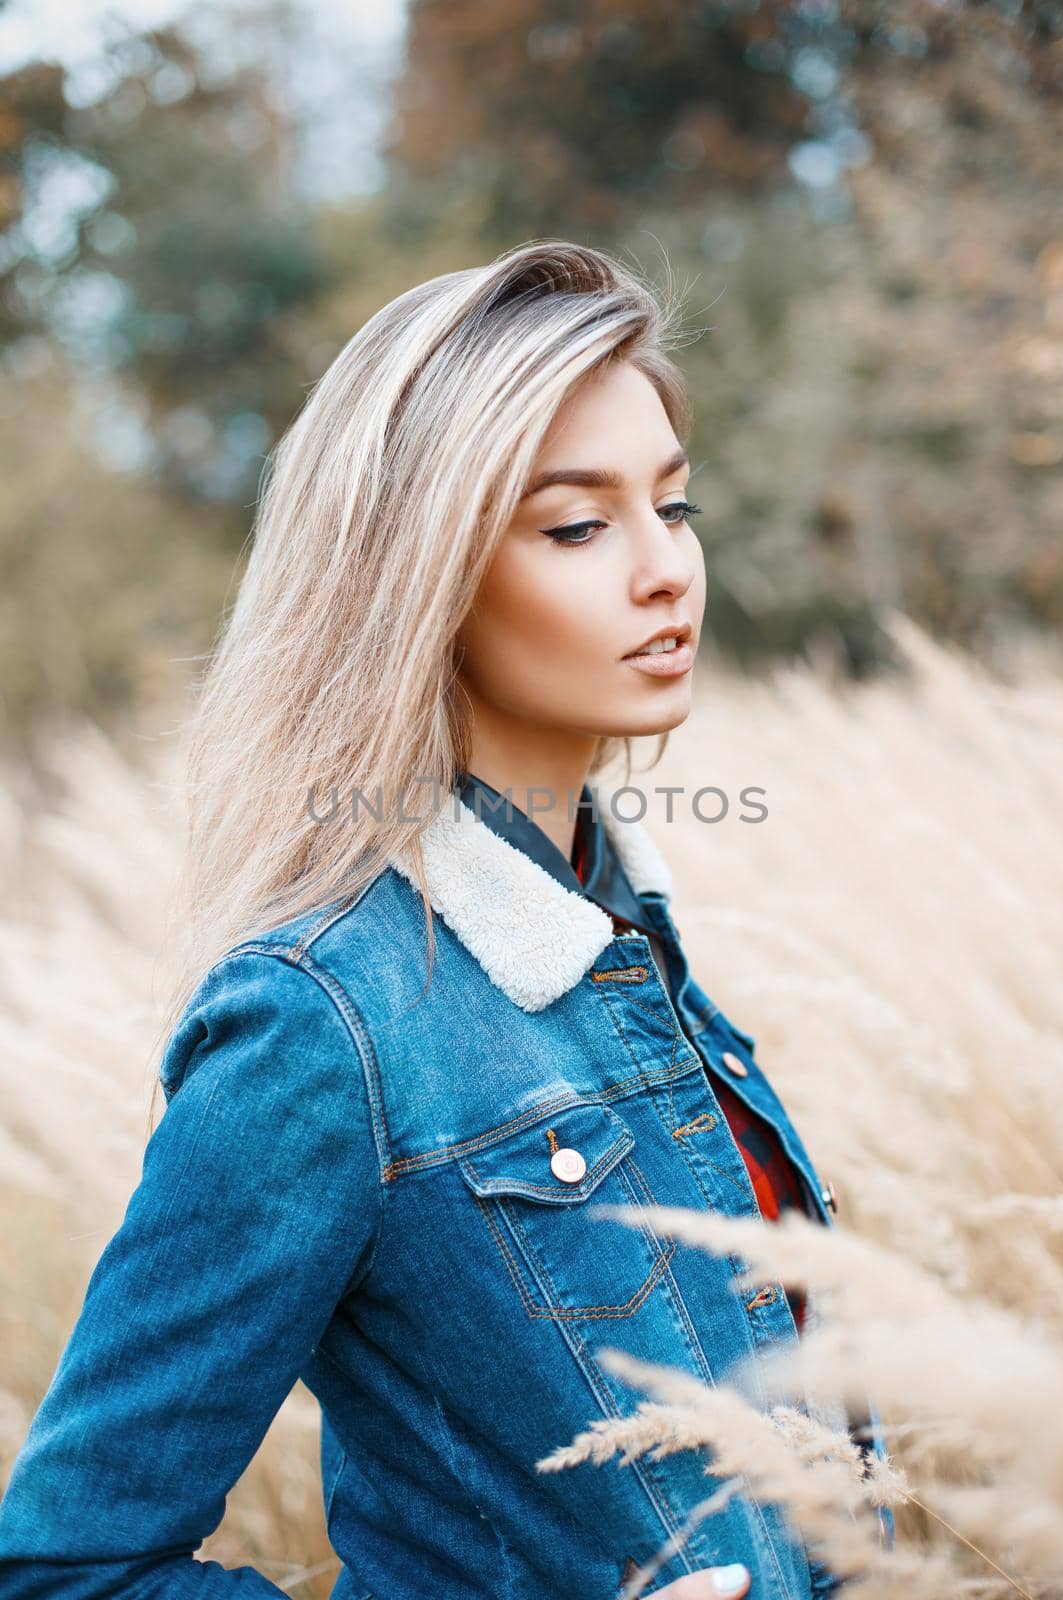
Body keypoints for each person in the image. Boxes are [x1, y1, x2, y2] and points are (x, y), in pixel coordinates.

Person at [0, 240, 893, 1598]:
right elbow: (69, 1568)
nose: (667, 571)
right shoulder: (322, 1019)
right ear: (423, 578)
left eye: (676, 505)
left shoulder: (622, 929)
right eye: (579, 526)